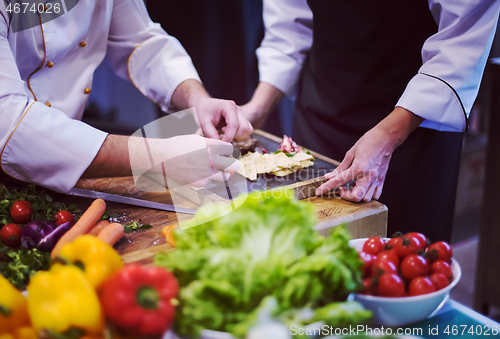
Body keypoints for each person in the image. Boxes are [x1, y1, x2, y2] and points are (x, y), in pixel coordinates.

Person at [242, 0, 500, 241]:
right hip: (319, 112)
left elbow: (460, 41)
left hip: (414, 127)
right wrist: (257, 108)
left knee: (399, 268)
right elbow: (289, 24)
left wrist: (389, 135)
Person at [0, 0, 252, 193]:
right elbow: (9, 119)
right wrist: (156, 158)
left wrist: (198, 100)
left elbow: (142, 41)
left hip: (70, 157)